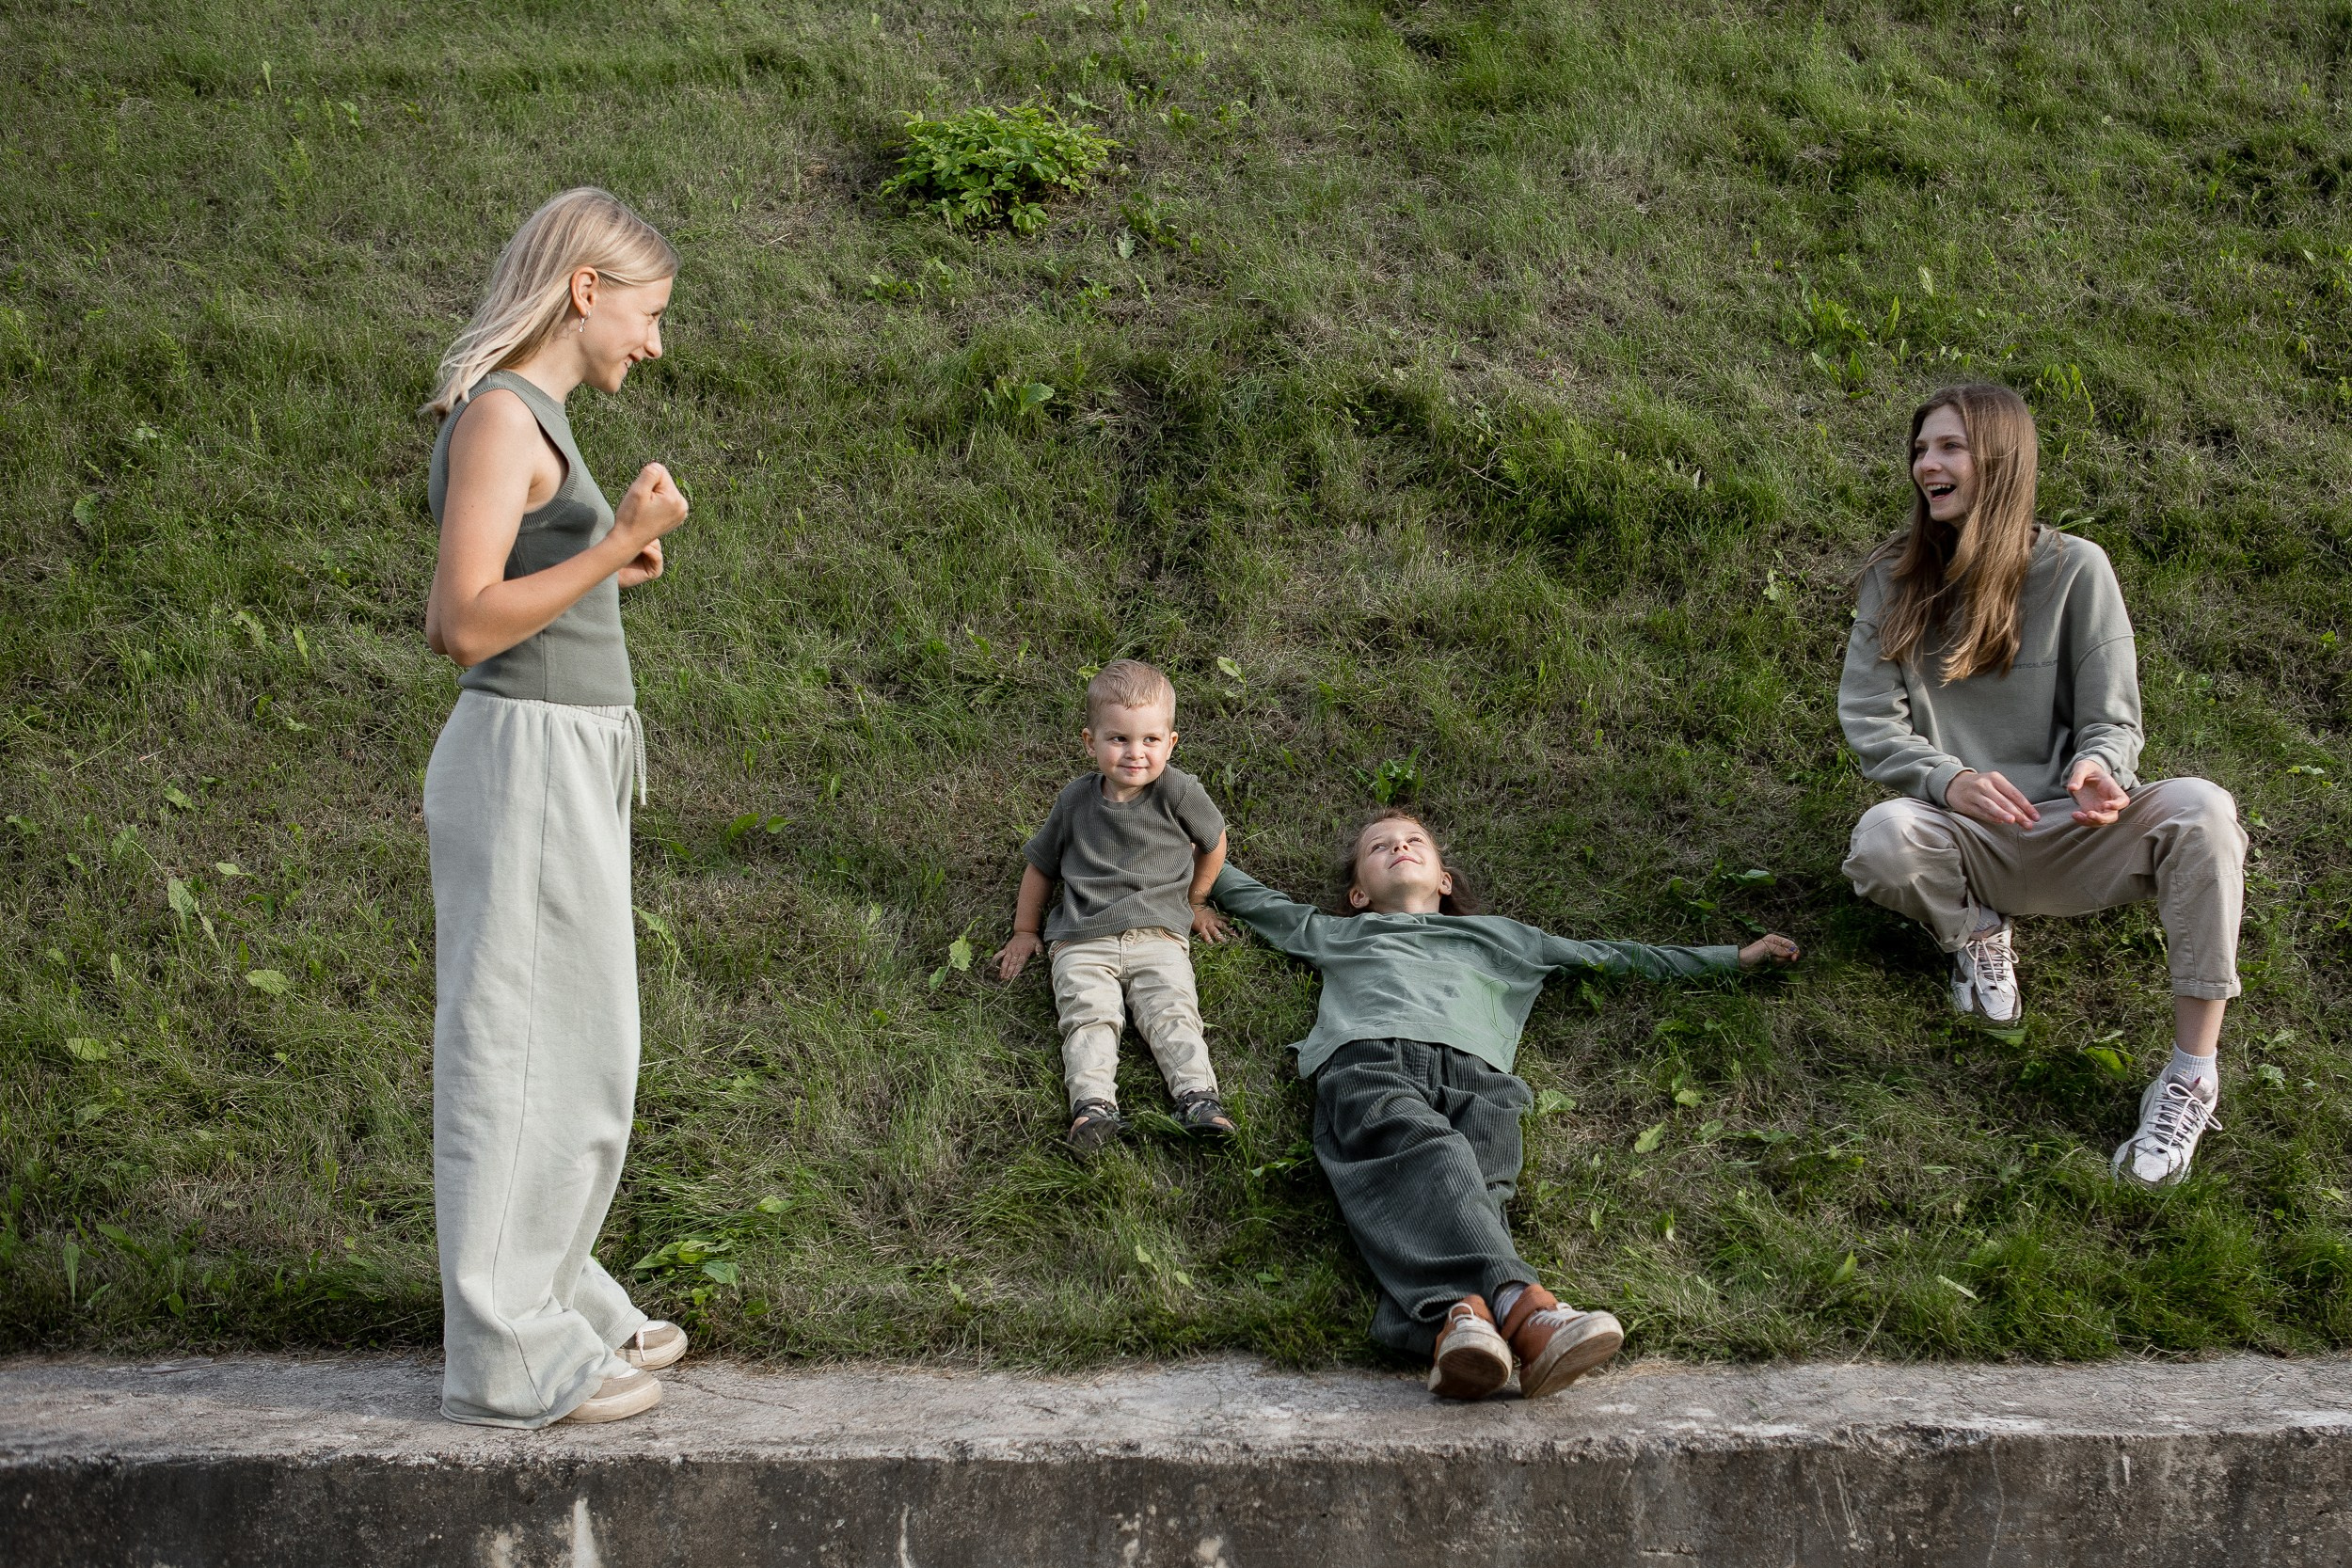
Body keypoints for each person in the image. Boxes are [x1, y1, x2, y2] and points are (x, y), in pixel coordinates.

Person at [1210, 811, 1799, 1401]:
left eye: (1416, 841)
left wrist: (1734, 959)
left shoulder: (1509, 937)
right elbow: (1242, 890)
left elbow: (1617, 956)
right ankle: (1528, 1310)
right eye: (1379, 847)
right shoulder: (1337, 933)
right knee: (1434, 1155)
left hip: (1483, 1080)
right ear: (1358, 893)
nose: (1401, 848)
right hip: (1370, 1061)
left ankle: (1460, 1323)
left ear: (1444, 878)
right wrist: (1161, 812)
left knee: (1478, 1187)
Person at [421, 188, 693, 1427]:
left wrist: (604, 558)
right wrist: (608, 543)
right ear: (585, 290)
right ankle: (506, 1348)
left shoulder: (543, 421)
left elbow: (529, 578)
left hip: (566, 757)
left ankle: (551, 1290)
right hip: (525, 756)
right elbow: (462, 621)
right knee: (527, 1053)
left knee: (578, 1049)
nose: (654, 339)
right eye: (648, 312)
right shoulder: (498, 415)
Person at [1837, 382, 2246, 1190]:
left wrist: (2100, 770)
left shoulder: (2075, 569)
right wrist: (1947, 781)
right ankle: (1977, 935)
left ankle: (2191, 1075)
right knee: (1882, 839)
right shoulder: (1894, 578)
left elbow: (2113, 717)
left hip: (2077, 831)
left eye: (1949, 447)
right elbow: (1870, 720)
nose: (1928, 464)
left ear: (2001, 457)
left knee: (2205, 809)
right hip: (1965, 836)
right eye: (1921, 448)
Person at [996, 659, 1236, 1151]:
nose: (1135, 753)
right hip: (1082, 938)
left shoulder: (1179, 792)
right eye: (1118, 739)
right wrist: (1026, 929)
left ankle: (1199, 1099)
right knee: (1088, 1015)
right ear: (1090, 742)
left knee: (1172, 1010)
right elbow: (1041, 865)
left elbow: (1214, 843)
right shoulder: (1074, 801)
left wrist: (1195, 901)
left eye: (1150, 740)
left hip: (1158, 934)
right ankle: (1093, 1108)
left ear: (1170, 743)